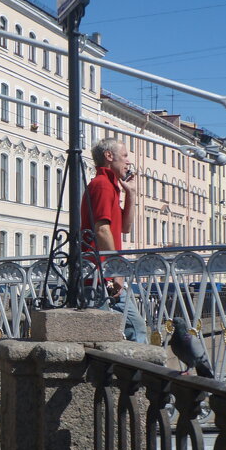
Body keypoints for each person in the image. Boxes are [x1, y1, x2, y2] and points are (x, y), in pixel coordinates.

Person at [81, 137, 148, 343]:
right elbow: (102, 231)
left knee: (134, 328)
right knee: (114, 332)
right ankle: (137, 372)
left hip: (105, 276)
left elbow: (125, 228)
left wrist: (131, 194)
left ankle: (136, 372)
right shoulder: (102, 185)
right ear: (109, 156)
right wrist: (115, 270)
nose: (128, 161)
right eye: (125, 155)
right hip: (99, 276)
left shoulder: (110, 186)